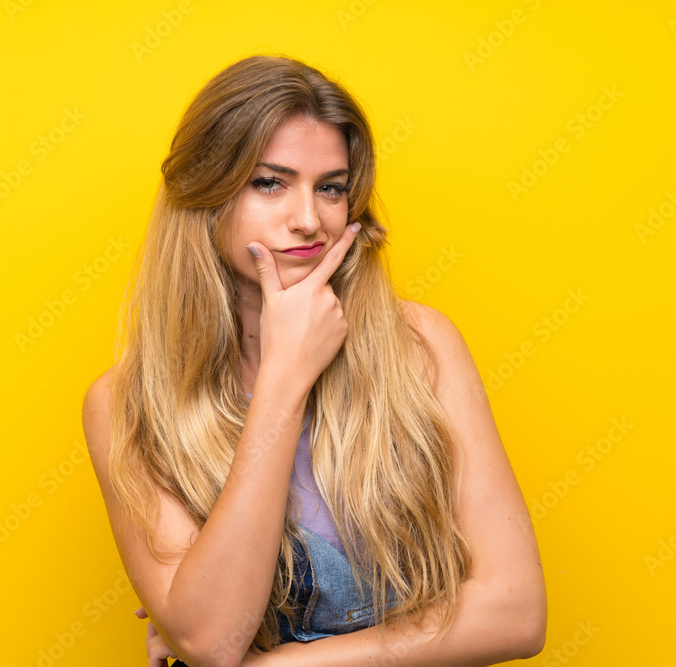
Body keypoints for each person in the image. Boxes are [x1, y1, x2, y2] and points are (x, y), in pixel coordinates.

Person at [82, 54, 546, 666]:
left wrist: (274, 664)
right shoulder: (127, 405)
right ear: (205, 194)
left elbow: (516, 613)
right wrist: (284, 379)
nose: (309, 220)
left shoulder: (420, 346)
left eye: (330, 188)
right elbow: (212, 640)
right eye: (269, 182)